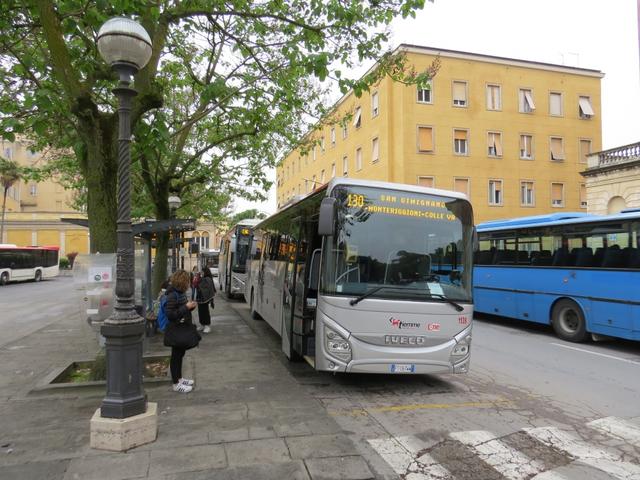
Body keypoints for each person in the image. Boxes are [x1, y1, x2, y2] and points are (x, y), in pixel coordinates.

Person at [164, 269, 198, 393]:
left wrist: (190, 308)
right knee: (176, 356)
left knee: (180, 355)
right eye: (187, 281)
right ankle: (176, 383)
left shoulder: (179, 293)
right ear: (183, 282)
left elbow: (181, 310)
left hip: (181, 328)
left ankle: (179, 378)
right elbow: (171, 314)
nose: (189, 283)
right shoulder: (173, 295)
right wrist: (186, 307)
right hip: (176, 329)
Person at [196, 266, 216, 333]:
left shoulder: (208, 279)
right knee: (200, 312)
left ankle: (207, 325)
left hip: (205, 298)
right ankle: (202, 324)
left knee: (205, 312)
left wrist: (200, 286)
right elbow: (197, 285)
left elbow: (208, 289)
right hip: (200, 298)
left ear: (205, 272)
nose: (201, 272)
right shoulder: (203, 278)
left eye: (202, 271)